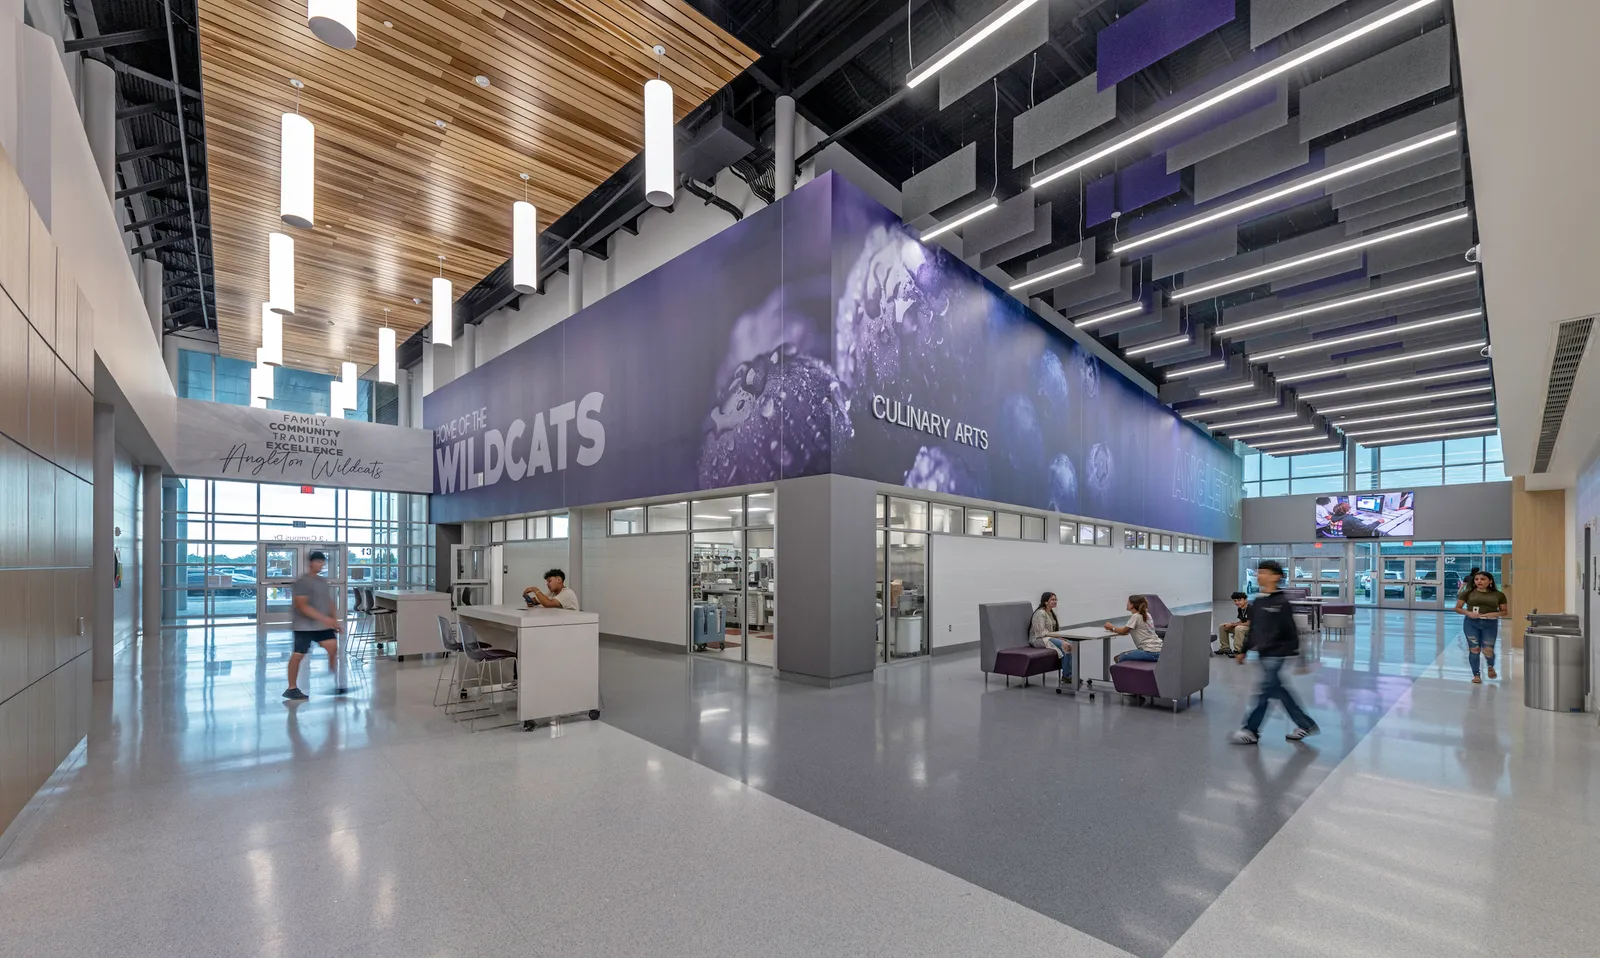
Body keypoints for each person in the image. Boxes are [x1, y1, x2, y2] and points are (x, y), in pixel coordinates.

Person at [1230, 560, 1318, 744]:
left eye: (1264, 572)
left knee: (1264, 691)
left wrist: (1302, 660)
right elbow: (1253, 629)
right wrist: (1243, 650)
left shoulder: (1282, 602)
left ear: (1276, 576)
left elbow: (1293, 631)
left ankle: (1250, 730)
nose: (1259, 575)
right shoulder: (1258, 602)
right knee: (1278, 690)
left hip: (1278, 654)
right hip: (1263, 654)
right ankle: (1306, 724)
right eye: (1258, 572)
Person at [283, 550, 342, 701]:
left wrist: (333, 620)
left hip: (321, 625)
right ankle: (291, 688)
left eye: (322, 562)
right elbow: (302, 606)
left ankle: (335, 682)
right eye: (318, 562)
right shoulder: (302, 582)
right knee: (298, 655)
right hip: (304, 626)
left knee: (333, 647)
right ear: (311, 563)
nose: (321, 565)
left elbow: (328, 601)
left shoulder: (322, 581)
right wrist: (326, 619)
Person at [1454, 570, 1507, 683]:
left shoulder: (1499, 595)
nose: (1479, 581)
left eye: (1483, 579)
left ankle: (1490, 666)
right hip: (1471, 623)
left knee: (1488, 649)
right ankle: (1476, 674)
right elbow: (1457, 608)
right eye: (1477, 579)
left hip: (1490, 624)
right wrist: (1468, 613)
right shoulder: (1468, 593)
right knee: (1474, 648)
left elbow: (1504, 612)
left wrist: (1493, 614)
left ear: (1490, 581)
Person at [1029, 591, 1072, 680]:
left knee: (1071, 643)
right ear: (1045, 602)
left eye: (1055, 599)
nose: (1055, 601)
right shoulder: (1040, 613)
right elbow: (1041, 632)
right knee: (1066, 645)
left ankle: (1070, 673)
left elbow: (1054, 630)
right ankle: (1067, 675)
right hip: (1039, 639)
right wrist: (1056, 637)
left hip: (1048, 637)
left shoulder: (1051, 613)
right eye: (1052, 599)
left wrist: (1059, 636)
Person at [1105, 594, 1161, 662]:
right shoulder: (1147, 614)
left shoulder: (1136, 616)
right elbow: (1135, 629)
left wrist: (1111, 627)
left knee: (1118, 658)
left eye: (1128, 602)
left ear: (1132, 605)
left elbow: (1123, 631)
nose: (1126, 604)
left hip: (1150, 652)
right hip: (1160, 651)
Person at [1217, 592, 1249, 656]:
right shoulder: (1240, 609)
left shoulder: (1251, 608)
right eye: (1235, 601)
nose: (1237, 602)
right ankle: (1225, 649)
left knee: (1238, 628)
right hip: (1244, 627)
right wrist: (1231, 624)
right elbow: (1241, 621)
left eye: (1239, 600)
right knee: (1223, 626)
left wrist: (1233, 625)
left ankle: (1238, 651)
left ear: (1245, 600)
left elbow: (1249, 623)